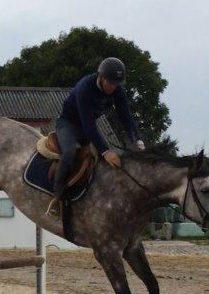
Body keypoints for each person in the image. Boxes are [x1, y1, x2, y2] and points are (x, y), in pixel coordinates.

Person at [47, 57, 146, 216]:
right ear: (101, 77)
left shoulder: (117, 89)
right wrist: (106, 152)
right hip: (68, 125)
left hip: (88, 128)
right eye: (110, 83)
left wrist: (138, 141)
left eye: (116, 84)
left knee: (110, 160)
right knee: (70, 152)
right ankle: (56, 196)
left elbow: (126, 116)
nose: (113, 87)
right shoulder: (85, 87)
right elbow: (89, 126)